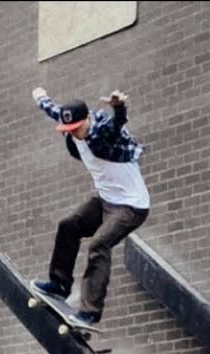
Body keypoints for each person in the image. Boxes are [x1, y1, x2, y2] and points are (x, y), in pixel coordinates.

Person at [30, 86, 150, 328]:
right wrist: (40, 97)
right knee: (68, 225)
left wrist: (118, 107)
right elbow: (53, 110)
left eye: (77, 129)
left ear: (87, 120)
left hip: (131, 206)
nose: (74, 134)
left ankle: (90, 312)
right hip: (105, 199)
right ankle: (60, 284)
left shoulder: (101, 132)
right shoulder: (72, 125)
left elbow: (117, 124)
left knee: (99, 245)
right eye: (69, 131)